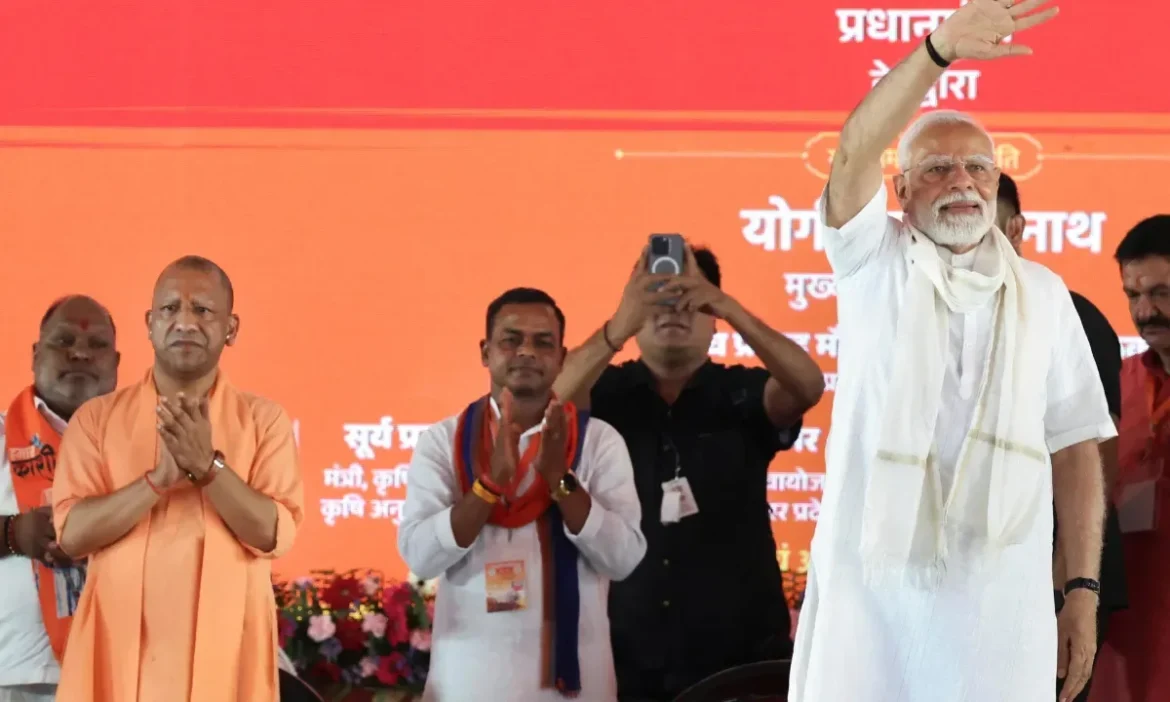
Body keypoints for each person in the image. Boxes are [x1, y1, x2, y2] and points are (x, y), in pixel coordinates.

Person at [789, 2, 1116, 701]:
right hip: (871, 604)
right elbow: (853, 147)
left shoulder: (1044, 292)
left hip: (1000, 608)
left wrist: (1081, 590)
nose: (963, 181)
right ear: (901, 191)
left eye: (977, 168)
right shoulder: (873, 259)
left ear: (998, 184)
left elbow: (1075, 446)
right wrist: (936, 51)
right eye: (938, 169)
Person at [552, 244, 825, 701]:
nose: (672, 312)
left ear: (712, 315)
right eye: (658, 300)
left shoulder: (742, 391)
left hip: (738, 652)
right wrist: (620, 322)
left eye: (688, 300)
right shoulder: (606, 391)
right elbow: (552, 404)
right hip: (626, 652)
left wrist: (727, 305)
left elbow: (809, 385)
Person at [50, 255, 305, 702]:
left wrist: (209, 469)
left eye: (203, 310)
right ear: (149, 324)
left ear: (232, 327)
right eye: (170, 309)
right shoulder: (97, 419)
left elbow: (273, 534)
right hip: (121, 657)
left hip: (225, 662)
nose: (185, 321)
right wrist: (156, 481)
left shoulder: (264, 420)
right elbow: (72, 535)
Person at [399, 287, 646, 702]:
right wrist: (489, 486)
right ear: (485, 351)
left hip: (573, 689)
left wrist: (559, 480)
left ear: (562, 357)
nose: (526, 352)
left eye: (542, 342)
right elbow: (420, 557)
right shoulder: (443, 442)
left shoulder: (598, 443)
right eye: (511, 339)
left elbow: (622, 560)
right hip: (467, 682)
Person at [997, 173, 1129, 702]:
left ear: (1016, 229)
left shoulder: (1065, 313)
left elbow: (1096, 455)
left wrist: (1067, 585)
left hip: (1060, 579)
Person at [0, 296, 119, 702]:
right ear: (35, 354)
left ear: (117, 364)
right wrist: (15, 532)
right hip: (13, 677)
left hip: (124, 677)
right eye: (63, 340)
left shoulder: (151, 446)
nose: (81, 352)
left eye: (98, 345)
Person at [1104, 214, 1170, 701]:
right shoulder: (1112, 383)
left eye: (1162, 293)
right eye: (1133, 295)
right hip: (1119, 635)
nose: (1146, 311)